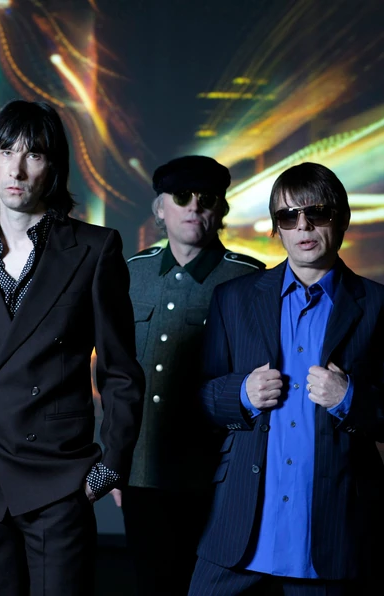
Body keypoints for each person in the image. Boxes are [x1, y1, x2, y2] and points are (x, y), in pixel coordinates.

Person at [0, 99, 145, 596]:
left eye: (34, 154)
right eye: (6, 152)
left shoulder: (94, 248)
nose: (17, 169)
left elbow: (120, 371)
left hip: (57, 475)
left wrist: (110, 465)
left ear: (54, 166)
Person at [188, 162, 384, 595]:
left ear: (342, 218)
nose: (303, 226)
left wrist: (349, 398)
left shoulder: (377, 305)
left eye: (317, 213)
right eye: (288, 216)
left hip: (331, 535)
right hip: (239, 529)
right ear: (277, 228)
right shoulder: (233, 299)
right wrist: (241, 393)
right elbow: (201, 397)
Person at [123, 156, 264, 594]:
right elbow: (117, 376)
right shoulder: (132, 273)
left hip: (215, 473)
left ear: (221, 209)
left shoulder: (248, 278)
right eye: (182, 196)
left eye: (206, 198)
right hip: (142, 469)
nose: (194, 207)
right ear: (160, 208)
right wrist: (114, 459)